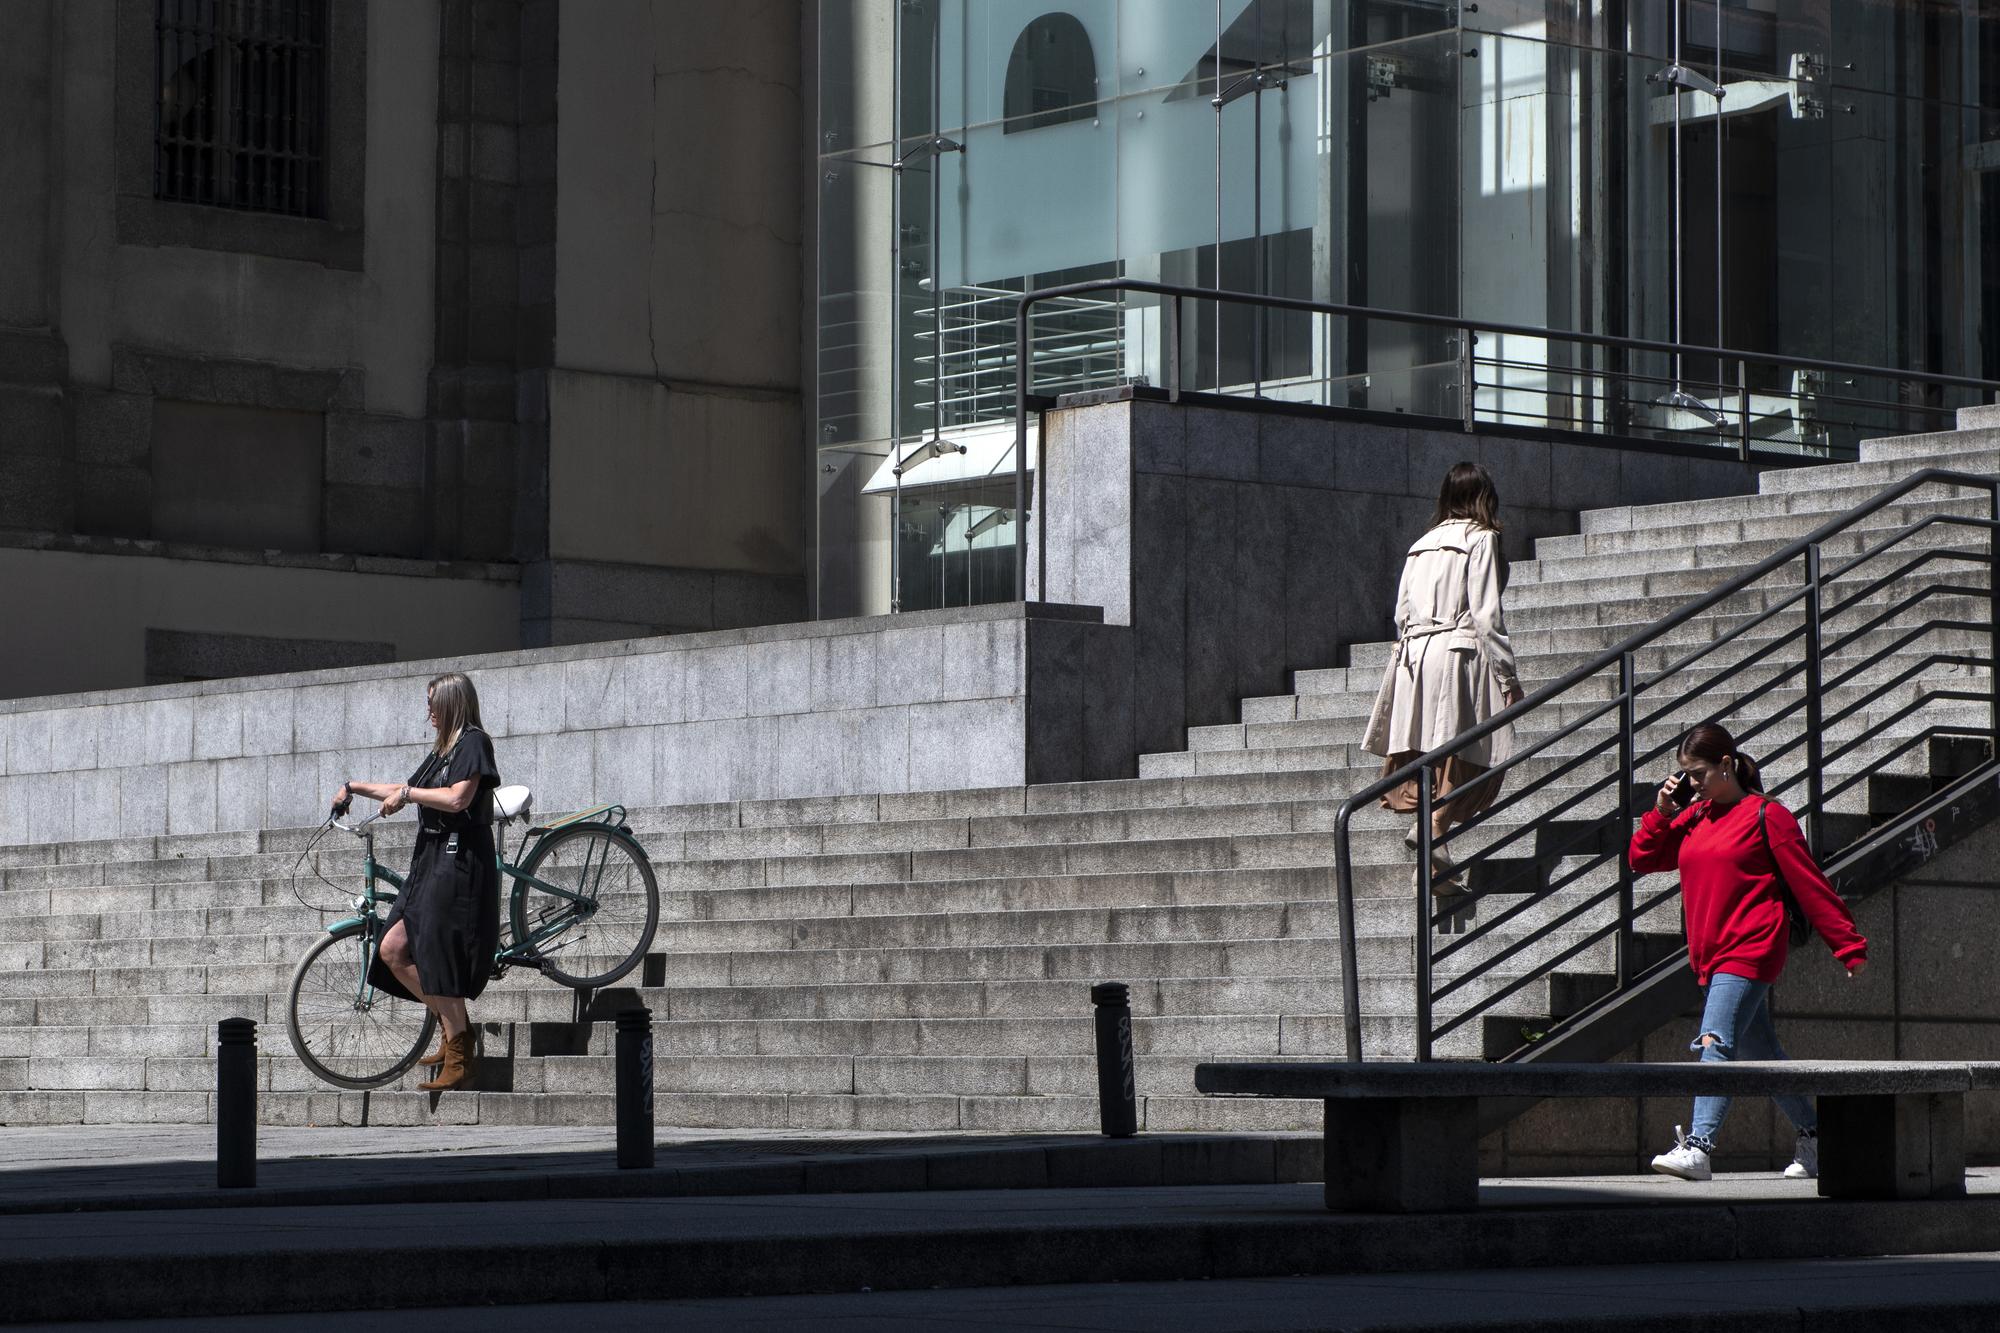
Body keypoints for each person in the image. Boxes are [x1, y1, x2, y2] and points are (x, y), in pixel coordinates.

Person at [1631, 721, 1869, 1182]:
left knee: (1714, 1041)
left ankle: (1698, 1147)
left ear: (1726, 764)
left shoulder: (1767, 815)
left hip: (1752, 946)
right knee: (1762, 1053)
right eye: (1686, 776)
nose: (1692, 784)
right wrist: (1661, 811)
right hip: (1710, 951)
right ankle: (1818, 1136)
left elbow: (1810, 883)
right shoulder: (1694, 817)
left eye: (1698, 774)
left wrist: (1848, 946)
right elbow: (1643, 858)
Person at [331, 671, 502, 1093]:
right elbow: (404, 786)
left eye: (433, 703)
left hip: (458, 859)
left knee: (438, 954)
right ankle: (454, 1028)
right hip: (430, 859)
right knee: (392, 949)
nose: (428, 711)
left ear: (451, 704)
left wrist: (408, 797)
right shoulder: (442, 750)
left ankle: (460, 1049)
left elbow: (458, 798)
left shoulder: (473, 742)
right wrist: (353, 786)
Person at [1362, 462, 1524, 892]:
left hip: (1414, 658)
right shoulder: (1481, 539)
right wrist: (1508, 677)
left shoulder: (1421, 545)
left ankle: (1435, 866)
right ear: (1485, 496)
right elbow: (1487, 614)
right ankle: (1436, 822)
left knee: (1430, 756)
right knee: (1474, 753)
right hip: (1458, 652)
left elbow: (1400, 614)